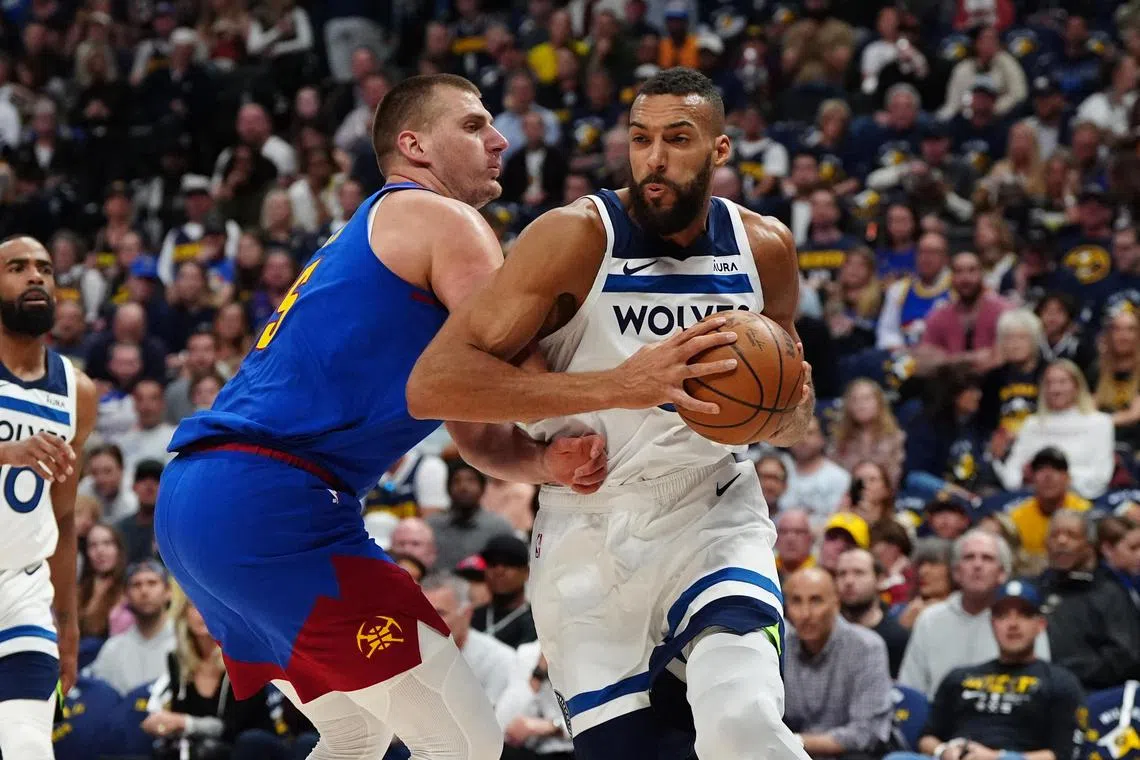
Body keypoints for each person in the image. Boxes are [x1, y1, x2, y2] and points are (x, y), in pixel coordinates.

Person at [154, 74, 609, 760]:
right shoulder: (443, 218)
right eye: (473, 125)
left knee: (356, 733)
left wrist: (545, 462)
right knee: (465, 744)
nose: (499, 140)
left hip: (200, 503)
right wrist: (621, 401)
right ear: (414, 145)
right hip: (272, 502)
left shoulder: (378, 229)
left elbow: (477, 429)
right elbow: (521, 367)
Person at [408, 68, 815, 760]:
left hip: (710, 513)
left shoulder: (764, 248)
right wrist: (616, 389)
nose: (654, 158)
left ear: (719, 150)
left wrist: (785, 418)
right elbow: (437, 385)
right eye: (640, 138)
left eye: (677, 139)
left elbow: (792, 412)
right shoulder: (573, 237)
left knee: (742, 720)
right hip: (588, 528)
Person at [0, 235, 97, 759]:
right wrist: (7, 452)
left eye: (44, 268)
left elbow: (62, 515)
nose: (35, 275)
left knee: (28, 746)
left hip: (22, 592)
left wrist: (69, 622)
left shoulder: (76, 390)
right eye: (17, 267)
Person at [884, 580, 1083, 760]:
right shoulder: (959, 677)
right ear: (992, 624)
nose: (1013, 624)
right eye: (1003, 615)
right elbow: (926, 737)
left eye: (1024, 615)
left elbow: (1063, 754)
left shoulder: (1060, 682)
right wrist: (944, 751)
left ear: (1040, 625)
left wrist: (998, 757)